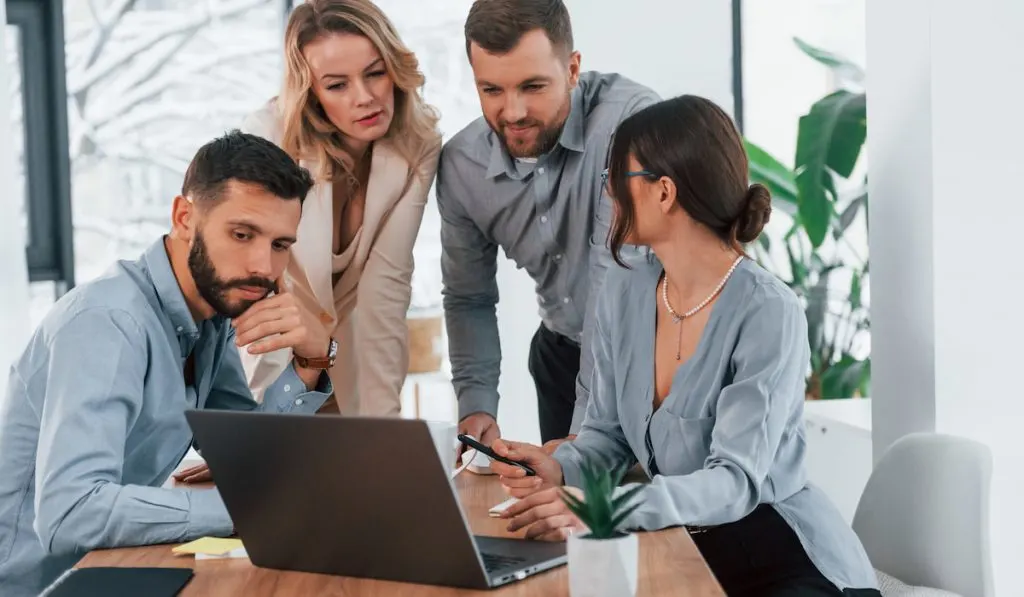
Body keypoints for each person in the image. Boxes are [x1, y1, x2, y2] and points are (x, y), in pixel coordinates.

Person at [486, 96, 882, 596]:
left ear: (664, 192)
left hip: (780, 553)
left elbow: (735, 482)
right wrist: (558, 466)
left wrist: (605, 509)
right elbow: (609, 436)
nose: (606, 189)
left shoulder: (767, 312)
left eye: (617, 175)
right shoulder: (625, 291)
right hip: (685, 543)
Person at [0, 131, 331, 596]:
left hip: (109, 573)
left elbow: (245, 458)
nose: (263, 266)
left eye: (280, 245)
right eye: (242, 234)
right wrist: (245, 511)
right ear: (184, 218)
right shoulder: (110, 323)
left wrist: (312, 359)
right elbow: (69, 512)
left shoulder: (208, 320)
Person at [438, 0, 660, 450]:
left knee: (660, 515)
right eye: (492, 90)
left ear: (573, 69)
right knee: (567, 516)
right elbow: (468, 296)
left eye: (533, 86)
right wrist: (476, 404)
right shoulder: (462, 166)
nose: (513, 111)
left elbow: (614, 284)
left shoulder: (631, 125)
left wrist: (586, 436)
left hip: (653, 357)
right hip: (560, 357)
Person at [240, 0, 442, 417]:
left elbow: (385, 288)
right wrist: (260, 424)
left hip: (347, 353)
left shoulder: (418, 145)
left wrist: (383, 428)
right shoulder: (268, 138)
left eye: (375, 73)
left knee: (367, 464)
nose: (365, 98)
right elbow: (255, 287)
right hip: (267, 348)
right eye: (337, 85)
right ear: (311, 92)